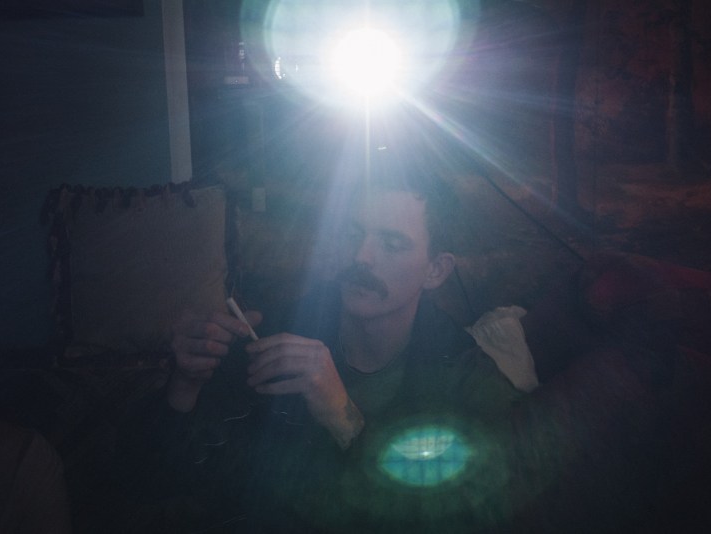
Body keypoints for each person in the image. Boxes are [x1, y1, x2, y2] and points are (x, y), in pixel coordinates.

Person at [119, 152, 523, 533]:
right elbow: (155, 481)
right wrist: (184, 386)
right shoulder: (278, 335)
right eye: (353, 234)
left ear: (435, 270)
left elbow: (473, 514)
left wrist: (342, 417)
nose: (362, 256)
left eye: (391, 243)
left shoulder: (466, 378)